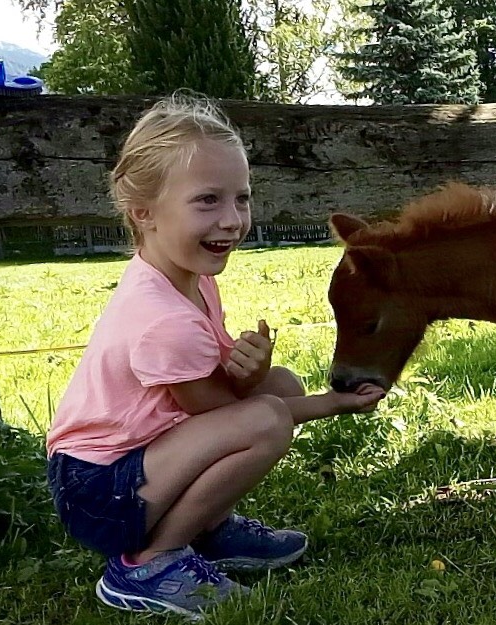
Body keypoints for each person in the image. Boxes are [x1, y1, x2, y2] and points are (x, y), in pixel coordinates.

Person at [45, 91, 385, 618]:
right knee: (271, 415)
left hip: (135, 464)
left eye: (241, 198)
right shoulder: (164, 318)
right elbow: (229, 414)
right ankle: (148, 565)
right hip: (99, 492)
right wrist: (332, 403)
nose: (232, 219)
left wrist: (252, 372)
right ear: (144, 212)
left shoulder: (188, 280)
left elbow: (224, 398)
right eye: (208, 201)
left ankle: (205, 530)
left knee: (280, 388)